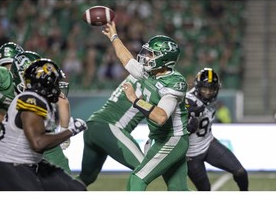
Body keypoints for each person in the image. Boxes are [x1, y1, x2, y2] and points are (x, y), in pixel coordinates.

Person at [102, 22, 189, 191]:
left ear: (164, 59)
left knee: (137, 179)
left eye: (151, 54)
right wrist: (114, 36)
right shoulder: (149, 72)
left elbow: (161, 116)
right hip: (159, 138)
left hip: (173, 138)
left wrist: (135, 100)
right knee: (179, 191)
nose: (146, 57)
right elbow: (125, 58)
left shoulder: (174, 82)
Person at [0, 58, 87, 191]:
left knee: (75, 189)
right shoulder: (31, 100)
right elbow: (37, 143)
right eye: (54, 82)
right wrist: (71, 130)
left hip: (26, 162)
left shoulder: (36, 98)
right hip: (8, 164)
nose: (56, 86)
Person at [185, 67, 249, 191]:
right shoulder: (189, 101)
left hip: (209, 143)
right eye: (205, 88)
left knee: (241, 172)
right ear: (198, 87)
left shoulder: (211, 100)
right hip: (191, 154)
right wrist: (187, 124)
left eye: (212, 89)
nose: (208, 92)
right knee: (205, 190)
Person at [79, 74, 145, 187]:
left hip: (93, 125)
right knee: (145, 169)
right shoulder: (152, 84)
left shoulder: (134, 74)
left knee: (86, 178)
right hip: (109, 127)